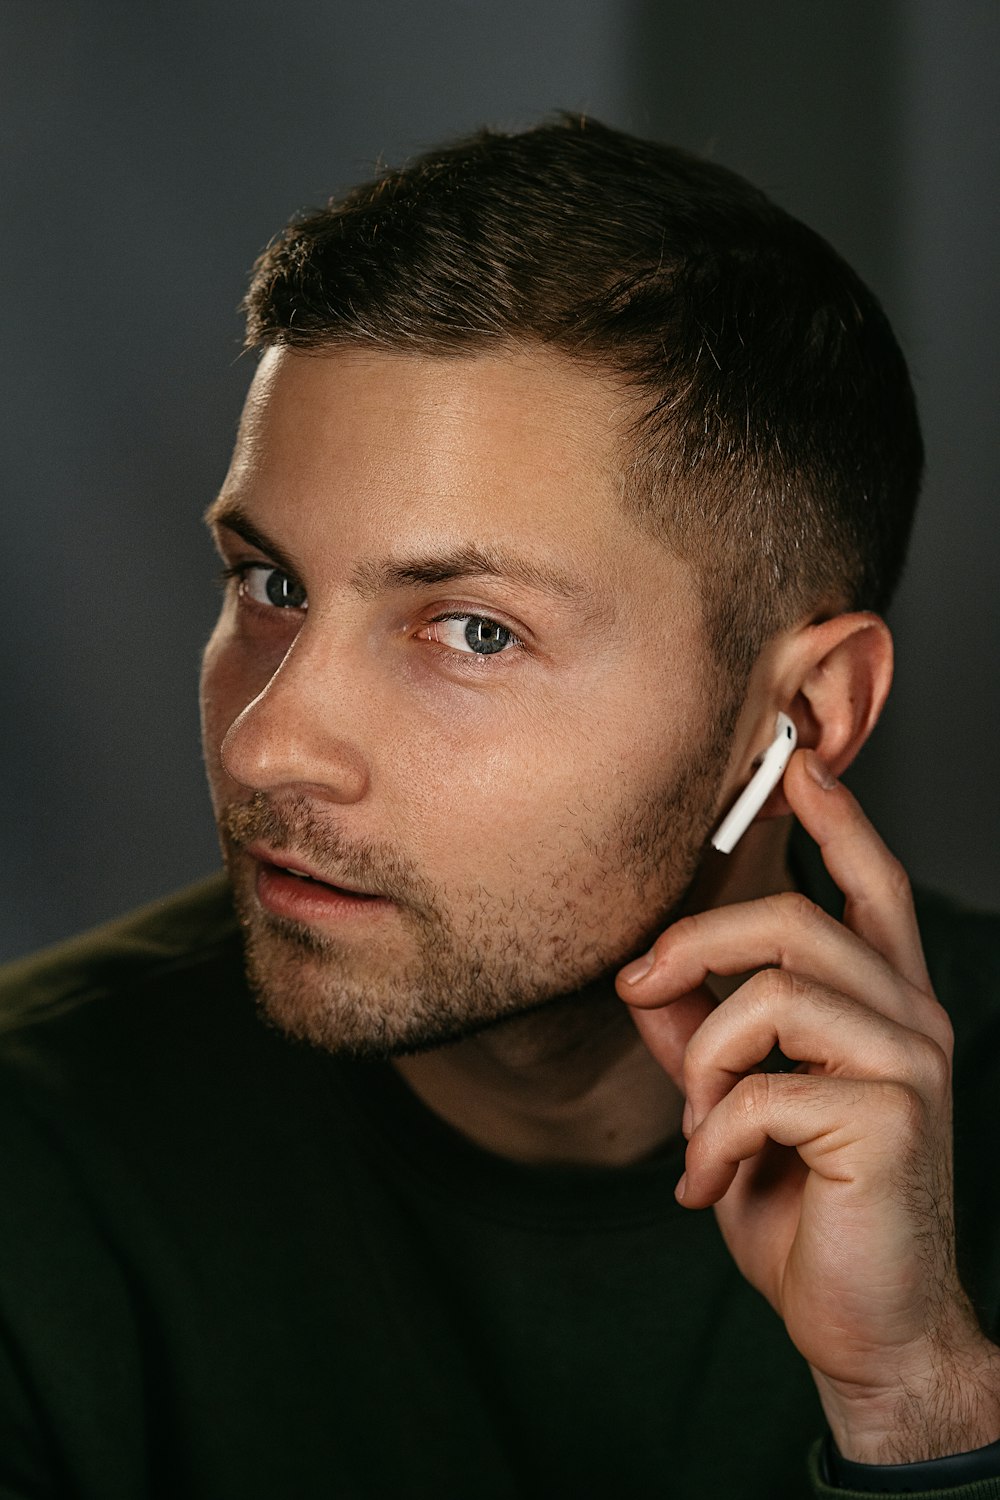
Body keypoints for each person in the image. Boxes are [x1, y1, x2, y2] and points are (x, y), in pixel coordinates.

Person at [2, 115, 999, 1500]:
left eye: (472, 631)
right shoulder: (36, 1158)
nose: (271, 740)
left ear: (807, 714)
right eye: (271, 586)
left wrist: (918, 1406)